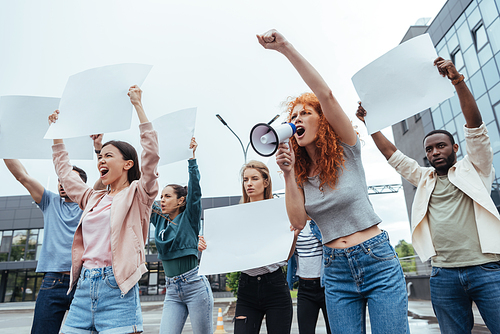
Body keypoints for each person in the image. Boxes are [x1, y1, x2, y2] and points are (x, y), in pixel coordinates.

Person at [258, 29, 409, 333]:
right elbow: (298, 221)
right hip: (335, 270)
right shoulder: (300, 175)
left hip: (375, 258)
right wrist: (288, 175)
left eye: (305, 113)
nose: (296, 120)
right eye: (293, 116)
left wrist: (285, 48)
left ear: (323, 119)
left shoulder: (347, 150)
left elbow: (325, 94)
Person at [357, 57, 500, 334]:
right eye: (430, 149)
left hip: (486, 271)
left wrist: (457, 81)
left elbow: (475, 126)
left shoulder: (476, 168)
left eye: (441, 146)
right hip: (443, 274)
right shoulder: (424, 178)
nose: (435, 152)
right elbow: (392, 155)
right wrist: (370, 122)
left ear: (454, 147)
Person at [49, 84, 159, 334]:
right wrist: (58, 133)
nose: (101, 160)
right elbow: (65, 174)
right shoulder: (93, 198)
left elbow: (151, 156)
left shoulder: (139, 194)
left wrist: (138, 105)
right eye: (100, 157)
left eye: (108, 156)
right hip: (84, 288)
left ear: (128, 164)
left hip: (117, 289)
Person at [200, 160, 293, 334]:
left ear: (266, 182)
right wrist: (206, 245)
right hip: (247, 288)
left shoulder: (280, 210)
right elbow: (223, 247)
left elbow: (286, 256)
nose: (249, 183)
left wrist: (293, 237)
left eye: (254, 178)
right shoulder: (234, 215)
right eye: (245, 179)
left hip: (275, 285)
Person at [3, 158, 89, 334]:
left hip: (84, 282)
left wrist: (97, 147)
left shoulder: (90, 203)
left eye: (68, 179)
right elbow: (22, 176)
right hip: (53, 282)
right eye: (60, 179)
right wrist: (5, 145)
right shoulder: (49, 201)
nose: (62, 183)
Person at [149, 137, 214, 334]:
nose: (162, 200)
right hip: (172, 291)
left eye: (167, 196)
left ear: (181, 201)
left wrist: (191, 159)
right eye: (161, 196)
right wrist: (149, 174)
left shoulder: (189, 217)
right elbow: (143, 195)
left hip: (195, 286)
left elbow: (195, 191)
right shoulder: (159, 219)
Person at [287, 219, 331, 334]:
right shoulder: (292, 225)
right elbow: (286, 256)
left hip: (326, 286)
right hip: (305, 289)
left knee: (334, 330)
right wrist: (294, 236)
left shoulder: (321, 220)